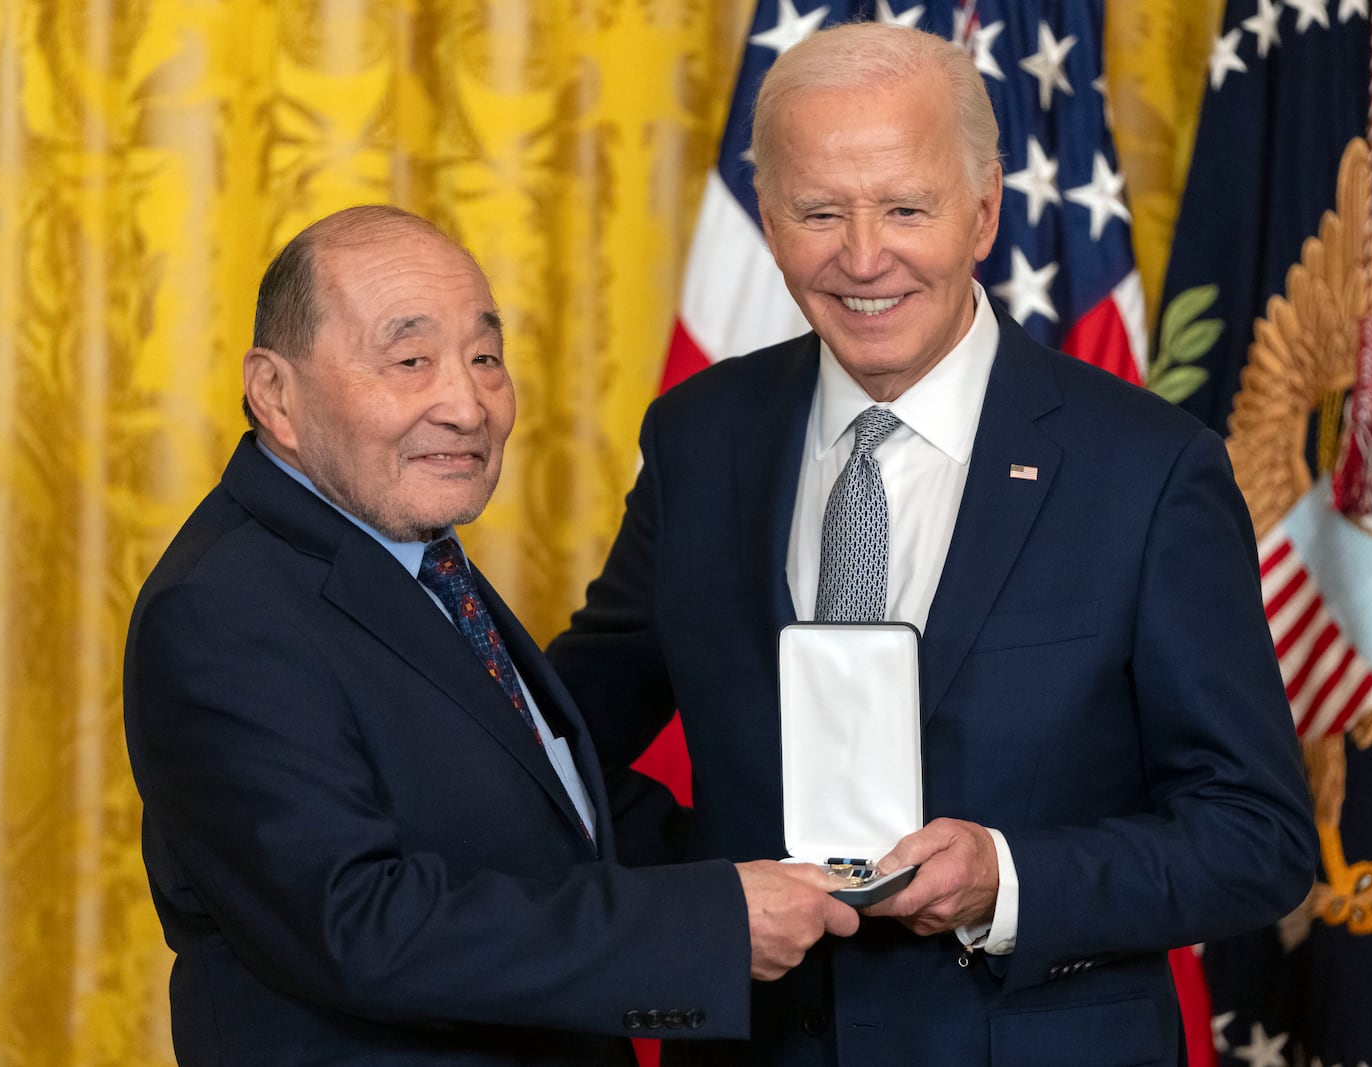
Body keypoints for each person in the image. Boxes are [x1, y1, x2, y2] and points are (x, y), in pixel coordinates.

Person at [548, 22, 1318, 1067]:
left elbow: (1255, 838)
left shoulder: (1146, 469)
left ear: (984, 212)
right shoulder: (700, 436)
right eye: (820, 212)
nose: (865, 258)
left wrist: (1007, 877)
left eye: (906, 208)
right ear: (768, 223)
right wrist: (704, 884)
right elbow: (558, 736)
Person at [122, 204, 859, 1067]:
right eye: (409, 360)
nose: (466, 405)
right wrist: (714, 925)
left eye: (485, 358)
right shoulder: (223, 609)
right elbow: (361, 926)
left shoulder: (408, 551)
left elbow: (541, 809)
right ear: (275, 393)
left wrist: (820, 864)